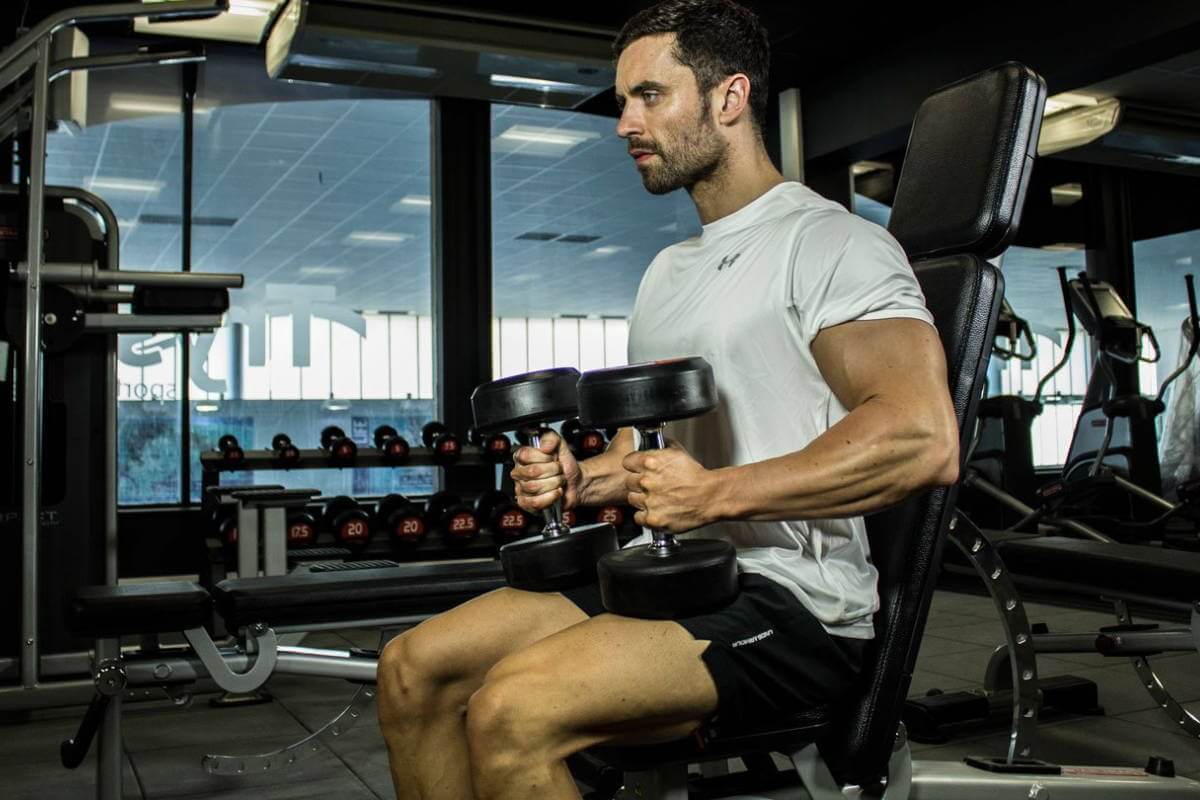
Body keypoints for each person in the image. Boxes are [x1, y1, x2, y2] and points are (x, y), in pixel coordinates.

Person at [376, 1, 959, 798]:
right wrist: (586, 480)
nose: (624, 122)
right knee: (413, 672)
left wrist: (716, 493)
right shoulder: (667, 275)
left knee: (512, 711)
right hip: (673, 572)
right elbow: (640, 455)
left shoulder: (829, 243)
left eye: (650, 95)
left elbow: (920, 437)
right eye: (622, 100)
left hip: (797, 602)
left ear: (729, 98)